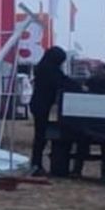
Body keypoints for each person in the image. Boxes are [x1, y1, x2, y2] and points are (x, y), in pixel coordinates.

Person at [29, 46, 85, 176]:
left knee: (40, 136)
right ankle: (36, 165)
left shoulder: (43, 67)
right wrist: (79, 87)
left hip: (39, 104)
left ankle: (36, 164)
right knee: (40, 136)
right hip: (42, 105)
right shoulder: (49, 70)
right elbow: (62, 81)